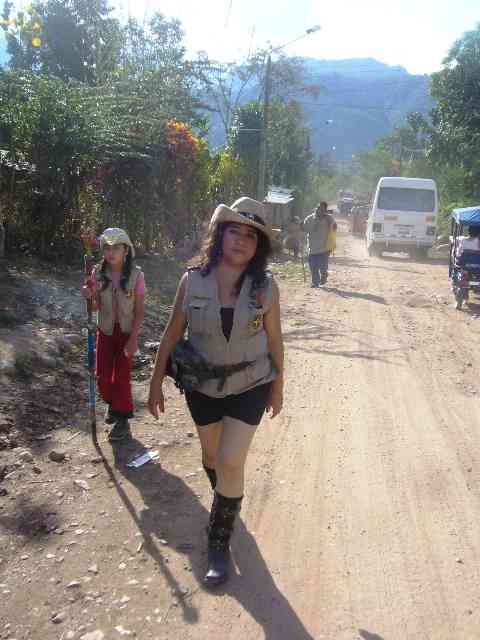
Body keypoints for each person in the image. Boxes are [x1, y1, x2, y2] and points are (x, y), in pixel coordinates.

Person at [148, 197, 284, 587]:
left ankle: (219, 539)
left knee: (228, 459)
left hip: (251, 383)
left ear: (259, 246)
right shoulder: (192, 281)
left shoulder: (266, 288)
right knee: (211, 457)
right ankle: (227, 498)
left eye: (250, 236)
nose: (241, 240)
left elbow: (275, 340)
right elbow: (171, 334)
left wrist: (278, 388)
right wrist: (155, 382)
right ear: (219, 235)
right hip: (202, 385)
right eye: (234, 231)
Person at [82, 227, 145, 442]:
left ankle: (122, 421)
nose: (111, 252)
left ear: (126, 250)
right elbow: (95, 306)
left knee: (121, 377)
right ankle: (113, 404)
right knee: (102, 378)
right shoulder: (97, 273)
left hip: (126, 333)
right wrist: (89, 295)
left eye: (116, 247)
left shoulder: (137, 276)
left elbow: (139, 312)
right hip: (105, 332)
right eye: (107, 248)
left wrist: (134, 339)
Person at [302, 201, 337, 287]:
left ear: (325, 210)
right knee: (313, 266)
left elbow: (334, 227)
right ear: (316, 208)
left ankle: (324, 275)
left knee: (323, 267)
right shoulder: (309, 218)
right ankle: (315, 282)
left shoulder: (329, 219)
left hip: (324, 248)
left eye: (322, 209)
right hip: (312, 248)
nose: (319, 210)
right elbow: (304, 228)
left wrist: (332, 224)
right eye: (318, 208)